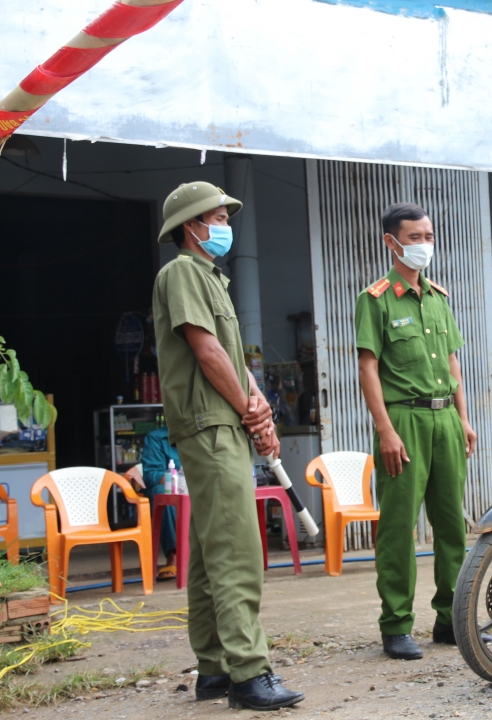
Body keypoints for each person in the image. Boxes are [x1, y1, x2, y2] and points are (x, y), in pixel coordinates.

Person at [152, 181, 304, 710]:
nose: (223, 227)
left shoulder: (211, 277)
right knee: (238, 547)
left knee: (208, 550)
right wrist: (245, 407)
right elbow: (205, 348)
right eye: (216, 217)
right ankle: (249, 671)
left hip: (227, 422)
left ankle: (214, 669)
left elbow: (232, 356)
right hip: (209, 424)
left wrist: (257, 405)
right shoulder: (182, 273)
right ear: (191, 226)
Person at [355, 202, 477, 661]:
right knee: (399, 526)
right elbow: (368, 368)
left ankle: (451, 620)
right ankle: (397, 626)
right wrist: (385, 430)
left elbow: (452, 362)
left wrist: (464, 418)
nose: (424, 245)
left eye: (428, 236)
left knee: (451, 525)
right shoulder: (376, 299)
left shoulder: (438, 298)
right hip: (402, 420)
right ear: (392, 242)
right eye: (414, 238)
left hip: (445, 418)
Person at [140, 426, 179, 580]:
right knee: (165, 493)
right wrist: (179, 480)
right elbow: (151, 476)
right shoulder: (156, 438)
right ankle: (173, 556)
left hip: (199, 487)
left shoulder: (202, 434)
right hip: (172, 487)